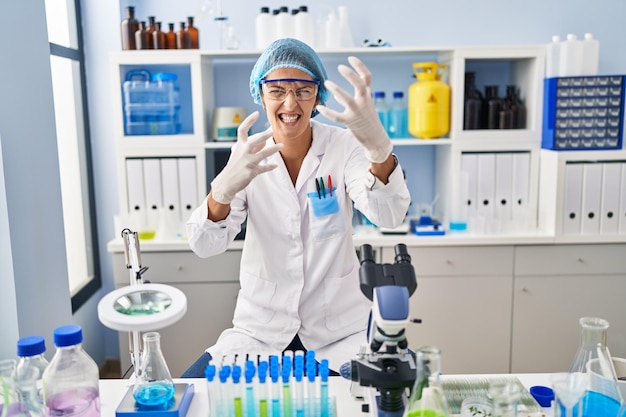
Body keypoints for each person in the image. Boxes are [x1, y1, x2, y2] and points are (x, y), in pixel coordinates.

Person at [182, 38, 410, 377]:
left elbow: (388, 216)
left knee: (366, 402)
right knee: (194, 392)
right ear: (260, 93)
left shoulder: (344, 146)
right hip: (260, 331)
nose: (290, 102)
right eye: (277, 90)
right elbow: (204, 245)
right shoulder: (246, 153)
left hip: (338, 332)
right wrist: (223, 190)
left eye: (302, 90)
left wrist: (379, 151)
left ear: (317, 96)